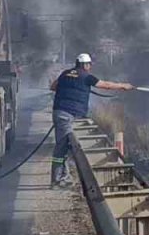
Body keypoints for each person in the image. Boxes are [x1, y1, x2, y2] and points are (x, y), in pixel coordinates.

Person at [49, 53, 134, 187]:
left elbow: (53, 87)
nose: (90, 67)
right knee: (62, 147)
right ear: (85, 65)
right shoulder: (86, 77)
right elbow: (105, 85)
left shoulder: (65, 73)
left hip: (60, 112)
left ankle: (61, 176)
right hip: (69, 115)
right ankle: (57, 179)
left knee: (64, 145)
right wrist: (122, 86)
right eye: (89, 65)